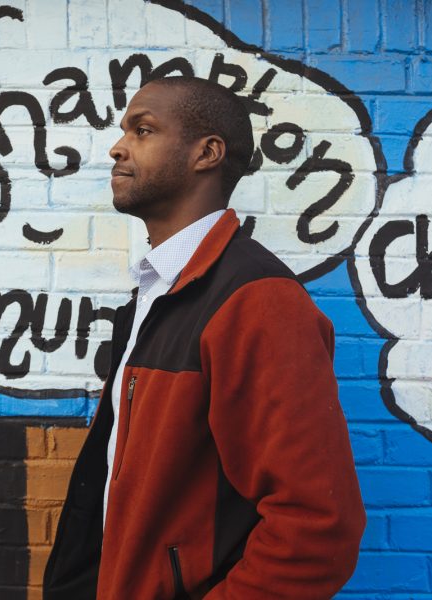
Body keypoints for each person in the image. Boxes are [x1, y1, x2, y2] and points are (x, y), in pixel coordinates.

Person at [43, 76, 366, 599]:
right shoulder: (156, 291)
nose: (117, 146)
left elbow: (317, 529)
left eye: (142, 130)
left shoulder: (256, 301)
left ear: (207, 153)